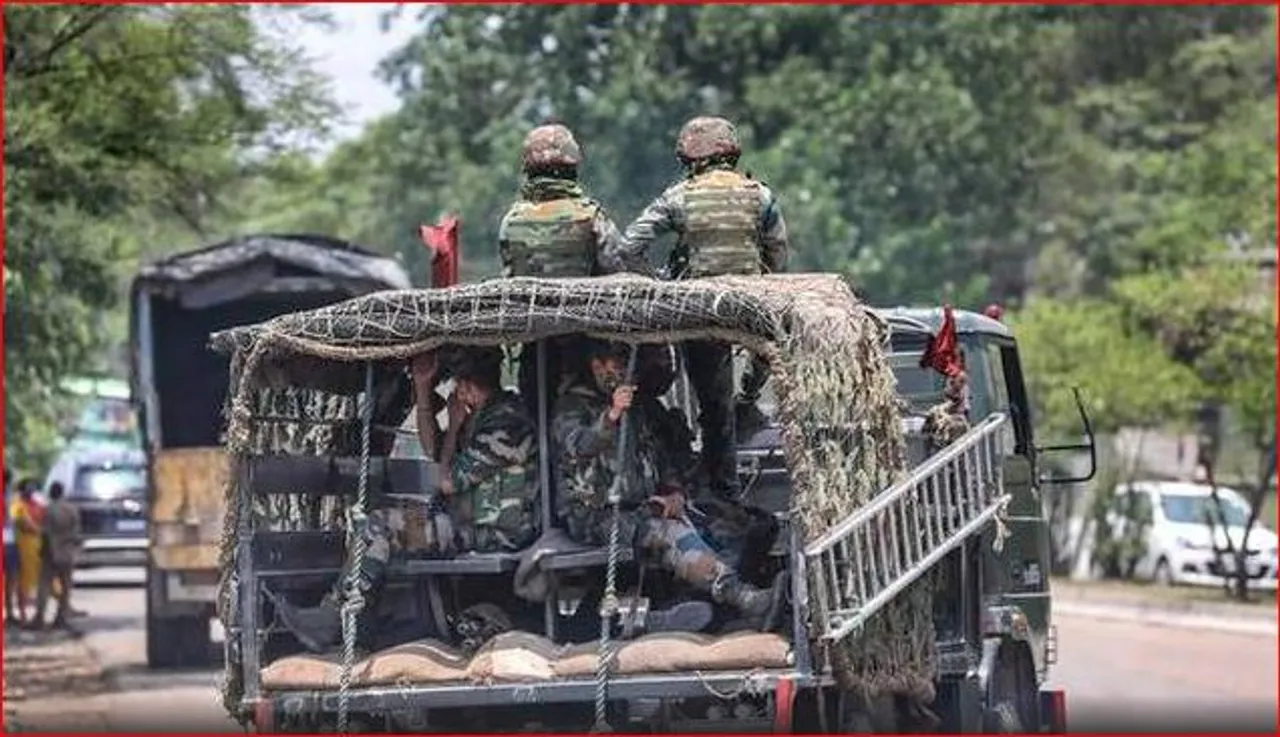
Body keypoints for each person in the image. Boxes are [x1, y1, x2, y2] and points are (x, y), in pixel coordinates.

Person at [270, 347, 543, 653]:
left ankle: (336, 619)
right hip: (468, 525)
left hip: (496, 533)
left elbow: (447, 480)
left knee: (380, 526)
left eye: (459, 383)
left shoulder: (506, 420)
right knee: (378, 522)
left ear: (468, 385)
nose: (456, 390)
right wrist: (424, 393)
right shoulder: (485, 415)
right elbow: (433, 450)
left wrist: (454, 426)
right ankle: (351, 620)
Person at [602, 115, 790, 497]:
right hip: (751, 304)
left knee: (713, 404)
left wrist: (662, 283)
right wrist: (759, 281)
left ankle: (721, 489)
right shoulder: (761, 196)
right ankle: (748, 398)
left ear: (691, 158)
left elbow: (627, 247)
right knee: (767, 356)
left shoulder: (678, 197)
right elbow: (778, 253)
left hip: (700, 308)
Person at [552, 340, 785, 631]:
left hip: (644, 506)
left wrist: (674, 492)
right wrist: (611, 417)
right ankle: (744, 598)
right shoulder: (572, 407)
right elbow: (579, 446)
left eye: (626, 360)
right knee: (670, 534)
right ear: (596, 365)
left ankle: (704, 606)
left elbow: (661, 459)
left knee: (736, 524)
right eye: (616, 361)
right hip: (596, 515)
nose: (623, 369)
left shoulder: (639, 408)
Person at [497, 122, 625, 415]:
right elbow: (618, 271)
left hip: (536, 348)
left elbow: (510, 274)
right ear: (571, 167)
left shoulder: (512, 220)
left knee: (538, 421)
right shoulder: (590, 216)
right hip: (586, 348)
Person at [33, 481, 80, 629]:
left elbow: (46, 533)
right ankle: (61, 617)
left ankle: (39, 617)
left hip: (51, 552)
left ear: (50, 493)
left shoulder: (49, 510)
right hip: (67, 552)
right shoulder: (72, 510)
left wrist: (42, 550)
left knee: (44, 585)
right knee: (66, 586)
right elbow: (76, 532)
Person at [10, 478, 45, 619]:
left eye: (33, 487)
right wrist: (38, 530)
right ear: (22, 490)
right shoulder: (17, 505)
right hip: (24, 544)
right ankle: (23, 613)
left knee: (49, 577)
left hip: (38, 543)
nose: (31, 490)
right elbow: (22, 522)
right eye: (29, 487)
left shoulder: (37, 503)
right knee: (25, 580)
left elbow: (44, 518)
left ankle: (64, 608)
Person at [4, 468, 19, 625]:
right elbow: (11, 519)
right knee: (11, 577)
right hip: (7, 540)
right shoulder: (9, 497)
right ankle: (9, 613)